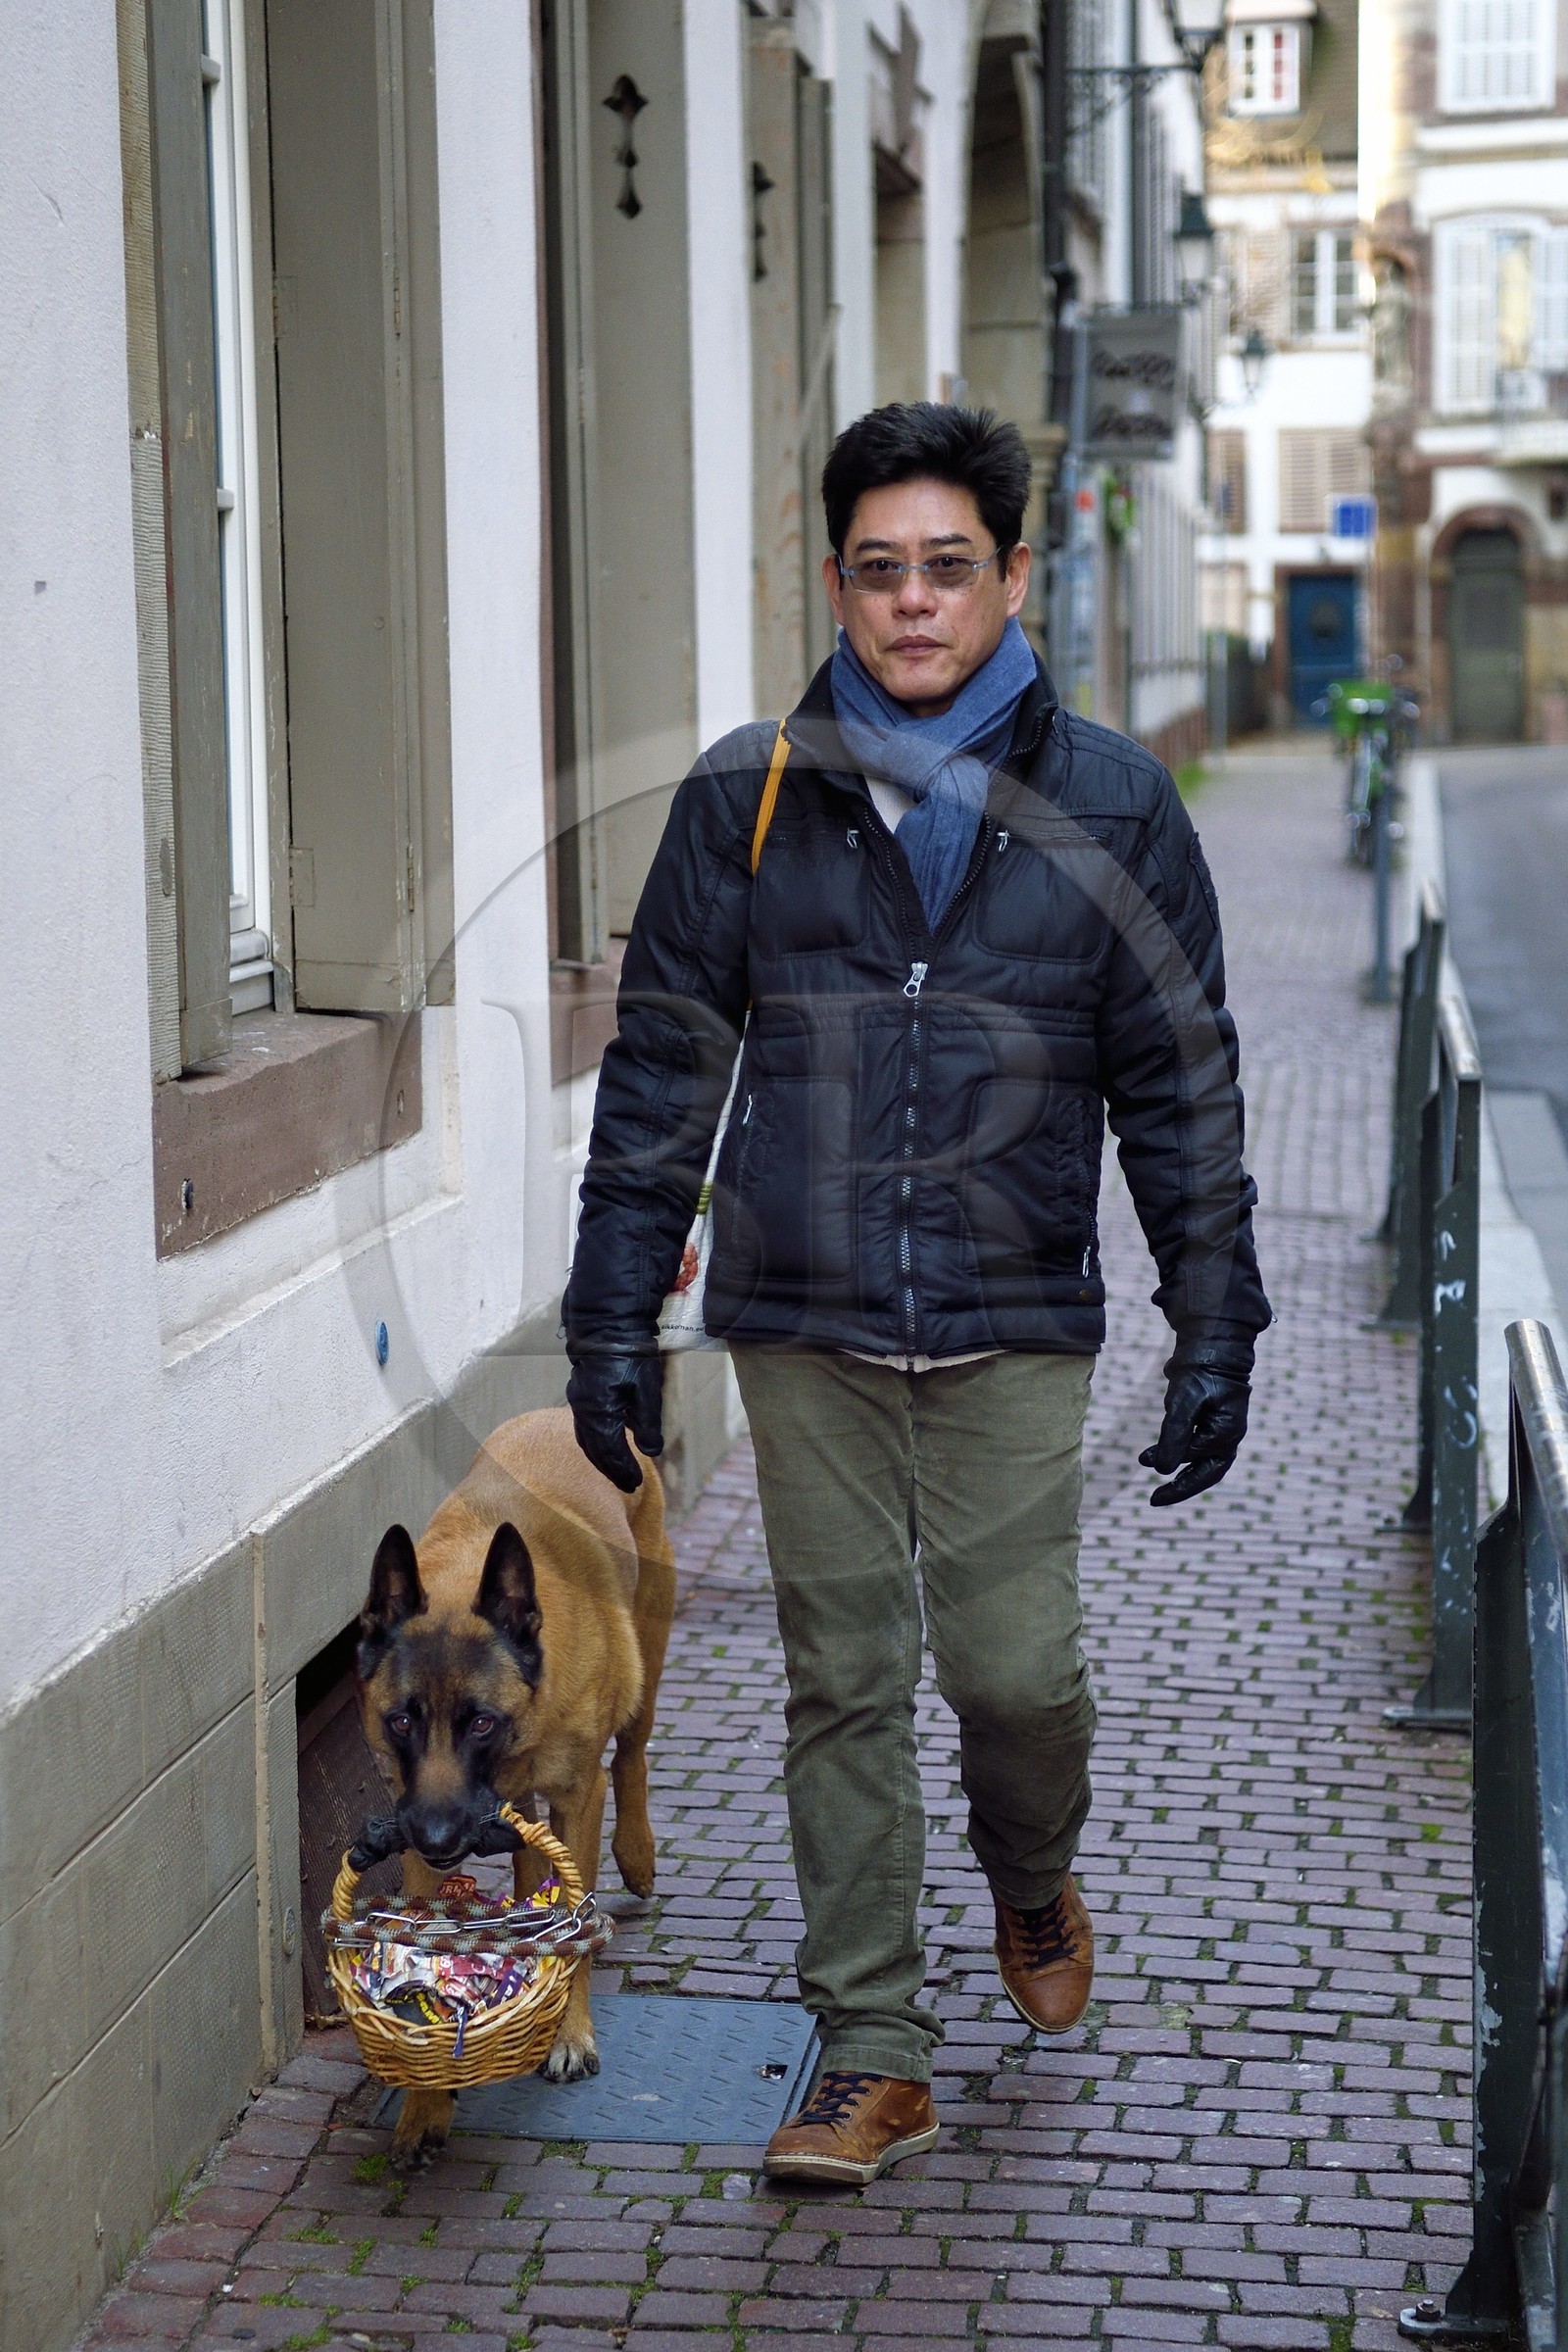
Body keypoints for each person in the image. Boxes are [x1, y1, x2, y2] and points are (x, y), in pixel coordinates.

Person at [563, 403, 1269, 2186]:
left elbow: (1179, 1076)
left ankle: (1032, 1875)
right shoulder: (751, 792)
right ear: (835, 582)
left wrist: (1219, 1312)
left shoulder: (1114, 797)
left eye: (950, 566)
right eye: (878, 571)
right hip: (803, 1325)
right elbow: (662, 1073)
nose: (913, 604)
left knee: (1019, 1682)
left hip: (1013, 1321)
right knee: (843, 1686)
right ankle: (871, 2048)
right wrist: (611, 1311)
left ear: (1013, 577)